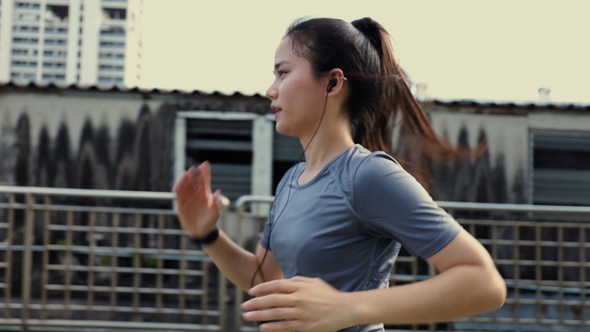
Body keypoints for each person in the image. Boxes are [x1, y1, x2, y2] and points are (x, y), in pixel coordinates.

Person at [173, 16, 506, 332]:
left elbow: (483, 282)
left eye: (283, 73)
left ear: (332, 82)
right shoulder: (291, 180)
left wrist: (347, 307)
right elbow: (265, 279)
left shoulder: (368, 176)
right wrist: (208, 235)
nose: (271, 90)